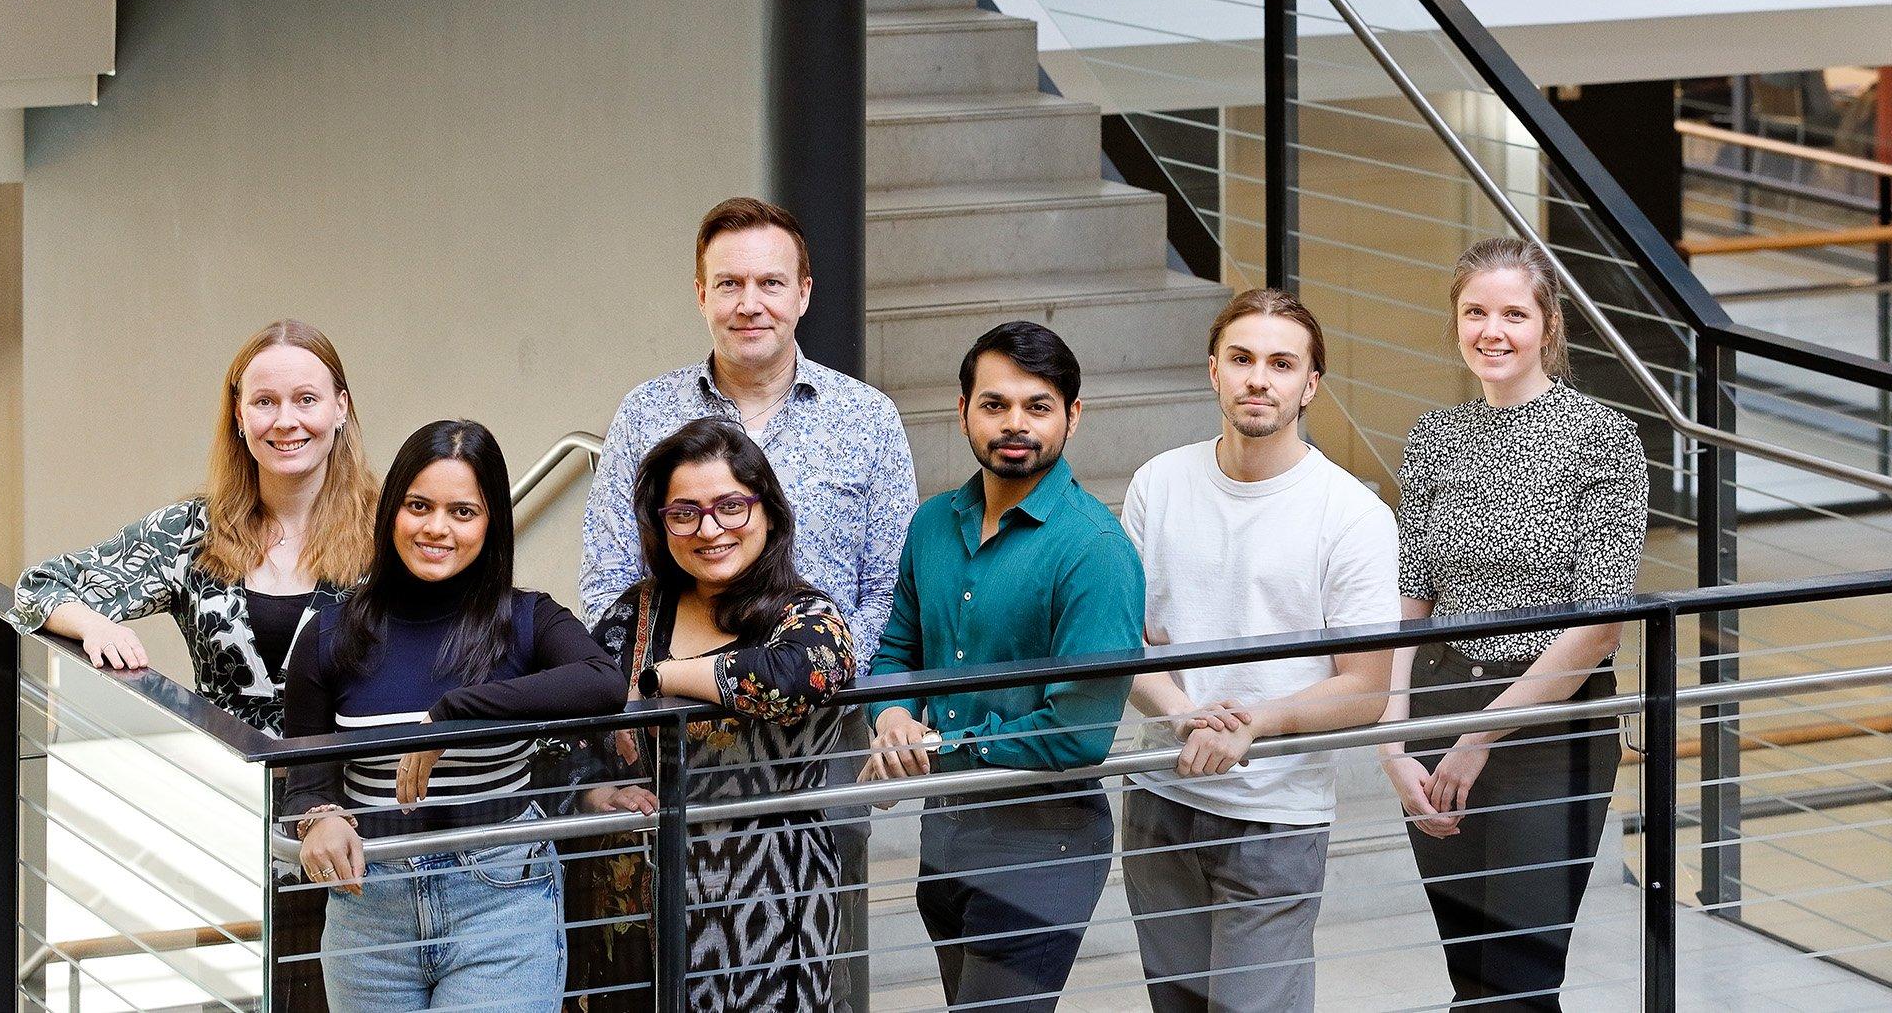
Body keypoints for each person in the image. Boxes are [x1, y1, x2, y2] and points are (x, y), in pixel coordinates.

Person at [577, 195, 916, 1007]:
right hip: (662, 763)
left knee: (812, 958)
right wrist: (643, 699)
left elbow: (889, 587)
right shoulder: (645, 412)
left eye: (770, 281)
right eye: (729, 282)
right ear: (701, 294)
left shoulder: (866, 418)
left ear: (804, 291)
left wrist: (807, 691)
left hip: (814, 744)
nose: (749, 301)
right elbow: (604, 578)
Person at [10, 318, 379, 1013]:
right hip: (230, 826)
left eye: (306, 398)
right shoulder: (192, 530)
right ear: (238, 415)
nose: (286, 420)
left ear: (340, 406)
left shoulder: (391, 525)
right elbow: (37, 587)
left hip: (359, 817)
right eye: (264, 402)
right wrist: (94, 622)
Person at [1381, 238, 1648, 1011]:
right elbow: (1412, 596)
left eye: (1513, 313)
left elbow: (1599, 626)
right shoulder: (1434, 434)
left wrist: (1477, 739)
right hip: (1437, 709)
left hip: (1548, 729)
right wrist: (1393, 739)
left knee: (1523, 987)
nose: (1491, 330)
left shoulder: (1601, 437)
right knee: (1472, 984)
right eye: (1474, 311)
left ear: (1549, 324)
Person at [284, 420, 627, 1012]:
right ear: (392, 509)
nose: (436, 528)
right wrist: (319, 821)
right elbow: (306, 782)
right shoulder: (330, 634)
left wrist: (457, 712)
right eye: (419, 506)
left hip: (500, 895)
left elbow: (603, 683)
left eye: (463, 512)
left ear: (491, 523)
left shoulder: (526, 620)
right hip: (371, 904)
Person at [1120, 289, 1399, 1011]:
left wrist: (1255, 725)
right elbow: (1123, 641)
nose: (1258, 378)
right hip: (1160, 797)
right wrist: (1182, 714)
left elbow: (1366, 687)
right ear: (1213, 369)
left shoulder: (1353, 514)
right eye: (1242, 358)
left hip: (1276, 816)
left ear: (1309, 384)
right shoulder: (1159, 482)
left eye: (1281, 363)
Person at [865, 321, 1144, 1013]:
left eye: (1038, 405)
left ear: (1072, 417)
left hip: (1042, 840)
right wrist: (896, 716)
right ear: (963, 411)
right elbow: (896, 651)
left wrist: (942, 745)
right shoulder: (931, 523)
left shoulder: (1096, 548)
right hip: (947, 832)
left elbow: (1080, 732)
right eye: (994, 404)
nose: (1014, 422)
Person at [566, 417, 857, 1011]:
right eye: (685, 513)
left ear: (767, 512)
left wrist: (660, 679)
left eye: (731, 506)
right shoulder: (634, 614)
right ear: (662, 525)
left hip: (771, 906)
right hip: (636, 911)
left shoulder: (804, 614)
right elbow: (576, 733)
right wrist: (596, 793)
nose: (710, 529)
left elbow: (794, 679)